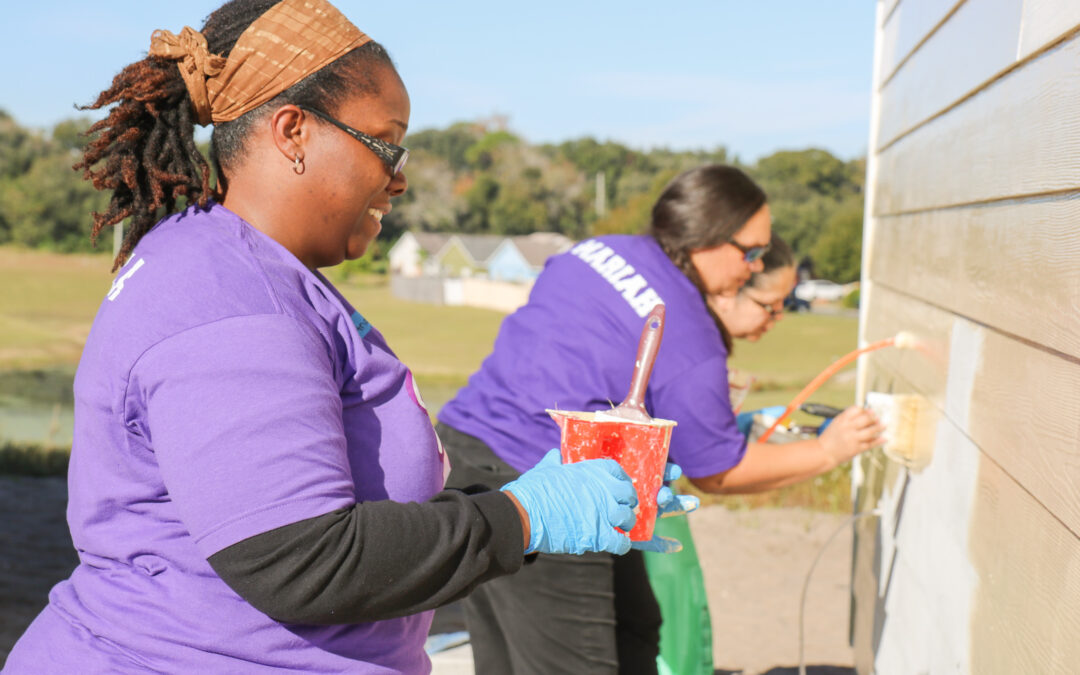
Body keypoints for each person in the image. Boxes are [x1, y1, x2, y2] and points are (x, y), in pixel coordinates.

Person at [3, 1, 688, 672]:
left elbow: (343, 516)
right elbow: (301, 558)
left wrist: (525, 501)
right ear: (293, 130)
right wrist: (525, 517)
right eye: (387, 144)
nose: (401, 177)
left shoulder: (245, 266)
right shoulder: (235, 299)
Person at [436, 164, 884, 674]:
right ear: (709, 237)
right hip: (551, 488)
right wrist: (831, 450)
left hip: (466, 455)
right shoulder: (689, 336)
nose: (752, 268)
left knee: (620, 630)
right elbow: (719, 472)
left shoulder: (600, 249)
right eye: (752, 253)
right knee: (571, 662)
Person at [645, 232, 797, 675]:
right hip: (638, 515)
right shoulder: (692, 353)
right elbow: (714, 473)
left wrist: (736, 427)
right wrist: (831, 449)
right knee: (667, 635)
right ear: (729, 291)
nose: (778, 317)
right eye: (771, 304)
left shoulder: (686, 338)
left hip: (656, 507)